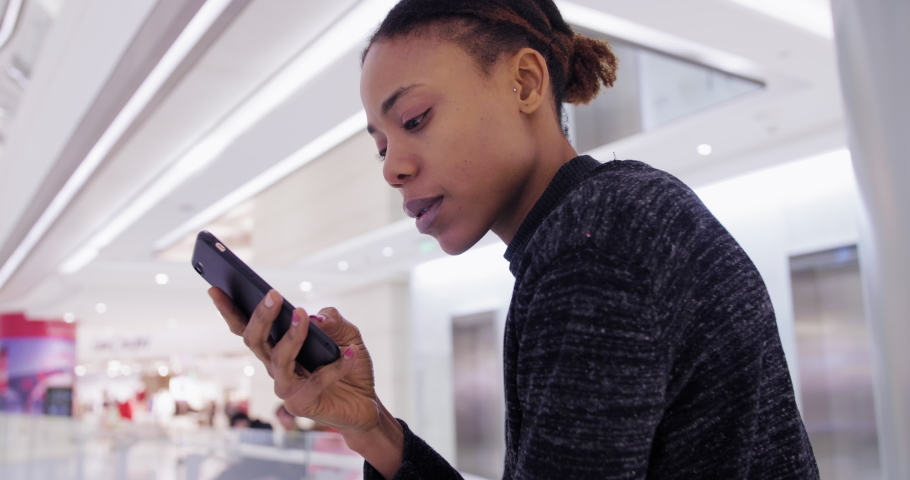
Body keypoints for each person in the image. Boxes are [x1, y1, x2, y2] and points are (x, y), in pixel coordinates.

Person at [208, 0, 820, 478]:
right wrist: (370, 426)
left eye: (415, 119)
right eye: (381, 145)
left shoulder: (595, 245)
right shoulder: (602, 222)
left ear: (526, 83)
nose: (392, 167)